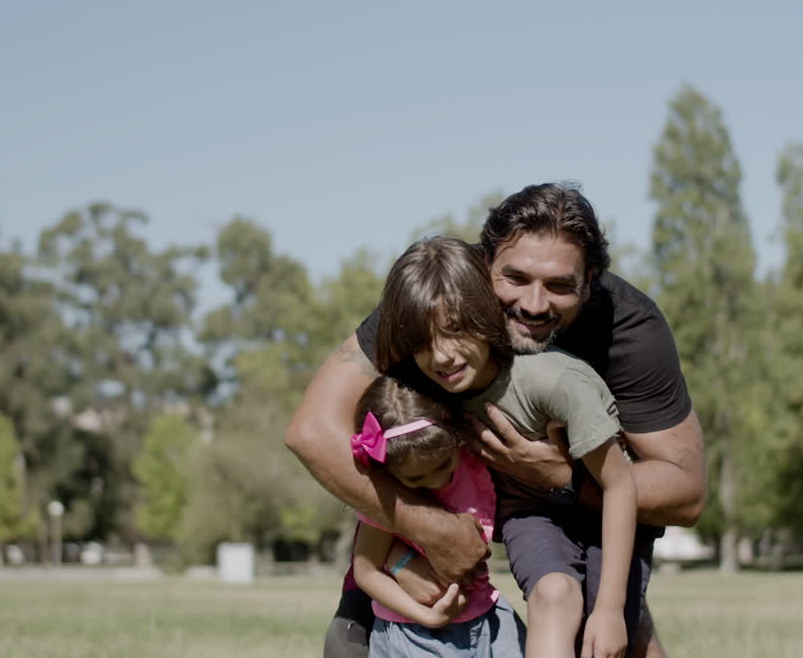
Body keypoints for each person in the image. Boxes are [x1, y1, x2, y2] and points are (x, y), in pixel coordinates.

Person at [286, 183, 705, 658]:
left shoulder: (629, 330)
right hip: (451, 514)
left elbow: (685, 493)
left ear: (590, 280)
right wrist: (420, 541)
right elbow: (311, 432)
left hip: (586, 510)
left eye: (560, 285)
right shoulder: (434, 300)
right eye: (516, 278)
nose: (533, 303)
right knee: (350, 646)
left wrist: (560, 476)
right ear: (484, 265)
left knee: (608, 634)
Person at [374, 236, 637, 658]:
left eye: (455, 330)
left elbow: (619, 486)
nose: (441, 356)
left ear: (484, 313)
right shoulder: (428, 394)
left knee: (614, 636)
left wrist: (610, 609)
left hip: (607, 513)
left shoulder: (554, 382)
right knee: (554, 595)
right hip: (531, 515)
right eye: (422, 342)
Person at [349, 375, 525, 658]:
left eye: (445, 466)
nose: (435, 481)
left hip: (487, 616)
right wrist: (427, 616)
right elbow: (366, 571)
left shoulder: (473, 461)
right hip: (412, 634)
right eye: (416, 478)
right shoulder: (389, 496)